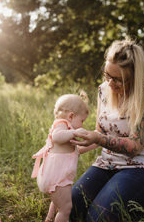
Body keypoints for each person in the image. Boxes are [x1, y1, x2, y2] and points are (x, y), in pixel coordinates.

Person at [70, 40, 144, 221]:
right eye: (107, 75)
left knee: (98, 218)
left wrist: (97, 138)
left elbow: (135, 146)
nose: (110, 83)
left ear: (135, 77)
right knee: (70, 206)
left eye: (118, 79)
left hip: (143, 167)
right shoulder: (103, 90)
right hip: (107, 163)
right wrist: (71, 148)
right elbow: (99, 131)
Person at [32, 93, 93, 222]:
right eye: (82, 121)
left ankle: (49, 218)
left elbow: (77, 151)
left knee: (58, 201)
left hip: (58, 177)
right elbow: (56, 136)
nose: (82, 125)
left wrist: (96, 144)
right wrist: (75, 132)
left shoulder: (68, 132)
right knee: (66, 208)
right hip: (56, 177)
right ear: (71, 116)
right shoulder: (61, 124)